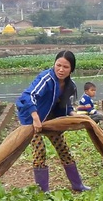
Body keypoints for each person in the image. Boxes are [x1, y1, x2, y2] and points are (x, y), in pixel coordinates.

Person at [16, 50, 90, 193]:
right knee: (40, 151)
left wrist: (77, 117)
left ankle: (77, 185)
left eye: (66, 67)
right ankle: (43, 191)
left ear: (71, 69)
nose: (61, 70)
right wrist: (36, 118)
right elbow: (28, 95)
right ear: (54, 64)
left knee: (63, 149)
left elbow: (67, 106)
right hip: (32, 118)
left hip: (51, 120)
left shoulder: (70, 85)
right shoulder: (46, 79)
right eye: (58, 65)